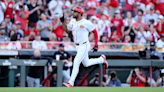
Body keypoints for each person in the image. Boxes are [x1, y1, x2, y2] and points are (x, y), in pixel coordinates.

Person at [61, 6, 108, 87]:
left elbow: (95, 32)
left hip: (84, 45)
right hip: (77, 46)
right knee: (86, 63)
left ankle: (71, 82)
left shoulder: (86, 22)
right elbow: (67, 30)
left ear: (79, 13)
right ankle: (101, 59)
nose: (73, 13)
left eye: (75, 11)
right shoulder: (72, 22)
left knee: (76, 61)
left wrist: (96, 44)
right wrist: (62, 22)